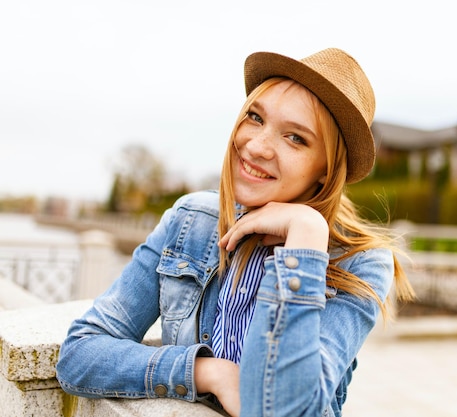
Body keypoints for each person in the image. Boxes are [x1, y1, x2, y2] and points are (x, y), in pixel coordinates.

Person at [56, 47, 414, 417]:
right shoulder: (191, 221)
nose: (256, 147)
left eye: (296, 138)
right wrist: (207, 372)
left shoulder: (360, 263)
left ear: (327, 169)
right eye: (255, 118)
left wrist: (305, 238)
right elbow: (81, 353)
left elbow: (285, 411)